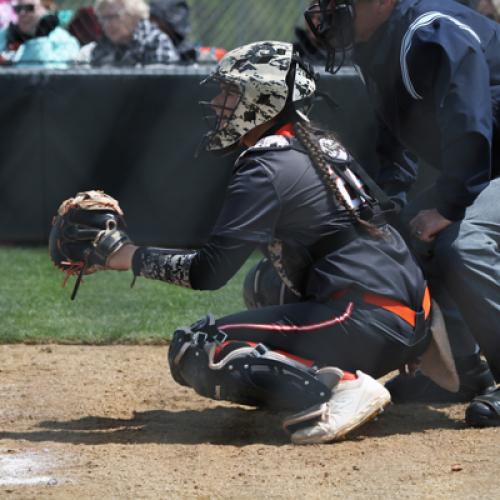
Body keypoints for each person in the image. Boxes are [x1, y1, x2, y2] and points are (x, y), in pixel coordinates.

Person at [98, 40, 445, 444]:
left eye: (229, 91)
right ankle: (370, 361)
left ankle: (343, 385)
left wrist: (125, 256)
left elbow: (210, 272)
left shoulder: (266, 165)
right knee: (262, 283)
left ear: (264, 98)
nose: (216, 104)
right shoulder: (315, 142)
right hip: (407, 316)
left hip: (368, 317)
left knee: (196, 348)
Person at [305, 0, 500, 426]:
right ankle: (463, 375)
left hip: (484, 165)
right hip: (487, 168)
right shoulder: (379, 42)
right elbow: (396, 139)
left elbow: (471, 122)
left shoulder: (432, 31)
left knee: (459, 243)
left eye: (339, 3)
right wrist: (387, 208)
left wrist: (448, 207)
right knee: (404, 237)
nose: (325, 13)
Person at [79, 0, 180, 67]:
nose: (106, 24)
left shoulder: (155, 41)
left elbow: (163, 86)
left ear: (134, 15)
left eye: (113, 17)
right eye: (102, 18)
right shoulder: (102, 46)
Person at [0, 0, 79, 67]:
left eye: (29, 8)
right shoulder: (4, 35)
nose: (22, 13)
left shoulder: (63, 40)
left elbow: (48, 74)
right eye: (18, 9)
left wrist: (40, 39)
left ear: (44, 9)